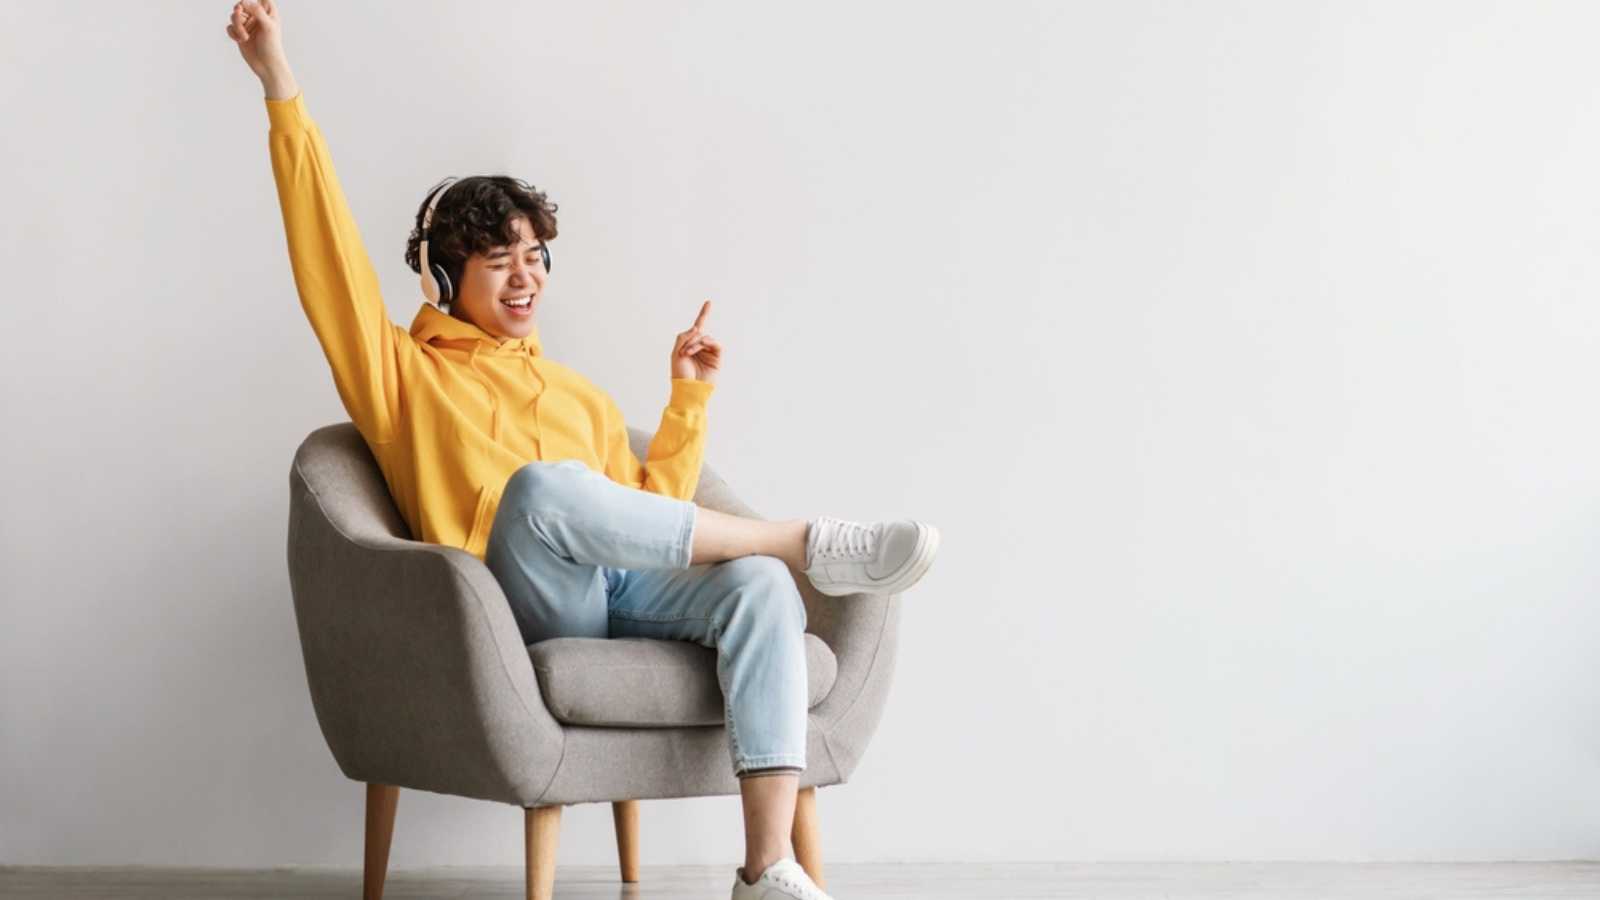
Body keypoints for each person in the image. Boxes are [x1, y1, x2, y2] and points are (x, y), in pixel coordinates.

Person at [227, 3, 938, 897]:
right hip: (507, 605)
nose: (525, 275)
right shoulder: (401, 375)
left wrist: (686, 399)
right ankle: (806, 544)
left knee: (755, 585)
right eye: (496, 260)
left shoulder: (580, 396)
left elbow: (652, 508)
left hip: (614, 591)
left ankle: (765, 870)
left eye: (534, 255)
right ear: (444, 279)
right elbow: (325, 258)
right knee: (540, 489)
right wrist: (279, 88)